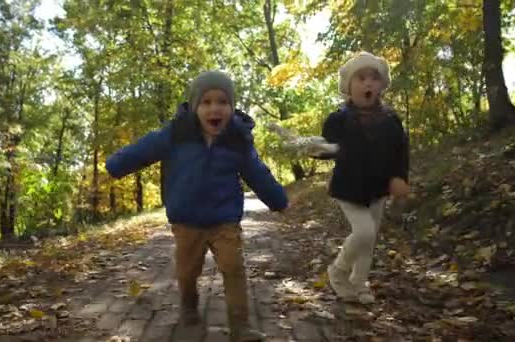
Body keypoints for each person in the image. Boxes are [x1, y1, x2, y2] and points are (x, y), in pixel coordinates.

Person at [105, 70, 288, 341]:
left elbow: (257, 172)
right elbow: (144, 148)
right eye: (207, 102)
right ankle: (189, 306)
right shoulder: (177, 134)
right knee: (187, 272)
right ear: (194, 107)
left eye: (223, 102)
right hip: (187, 220)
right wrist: (117, 164)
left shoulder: (238, 140)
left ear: (232, 107)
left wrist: (277, 199)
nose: (215, 108)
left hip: (224, 220)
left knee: (234, 268)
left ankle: (241, 325)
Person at [269, 51, 410, 304]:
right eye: (361, 78)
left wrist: (399, 176)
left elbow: (400, 151)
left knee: (369, 241)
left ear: (381, 85)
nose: (368, 83)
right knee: (364, 232)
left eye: (373, 78)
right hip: (349, 188)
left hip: (378, 189)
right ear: (348, 87)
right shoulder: (338, 120)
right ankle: (338, 271)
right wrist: (316, 149)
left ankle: (359, 284)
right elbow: (330, 149)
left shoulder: (391, 121)